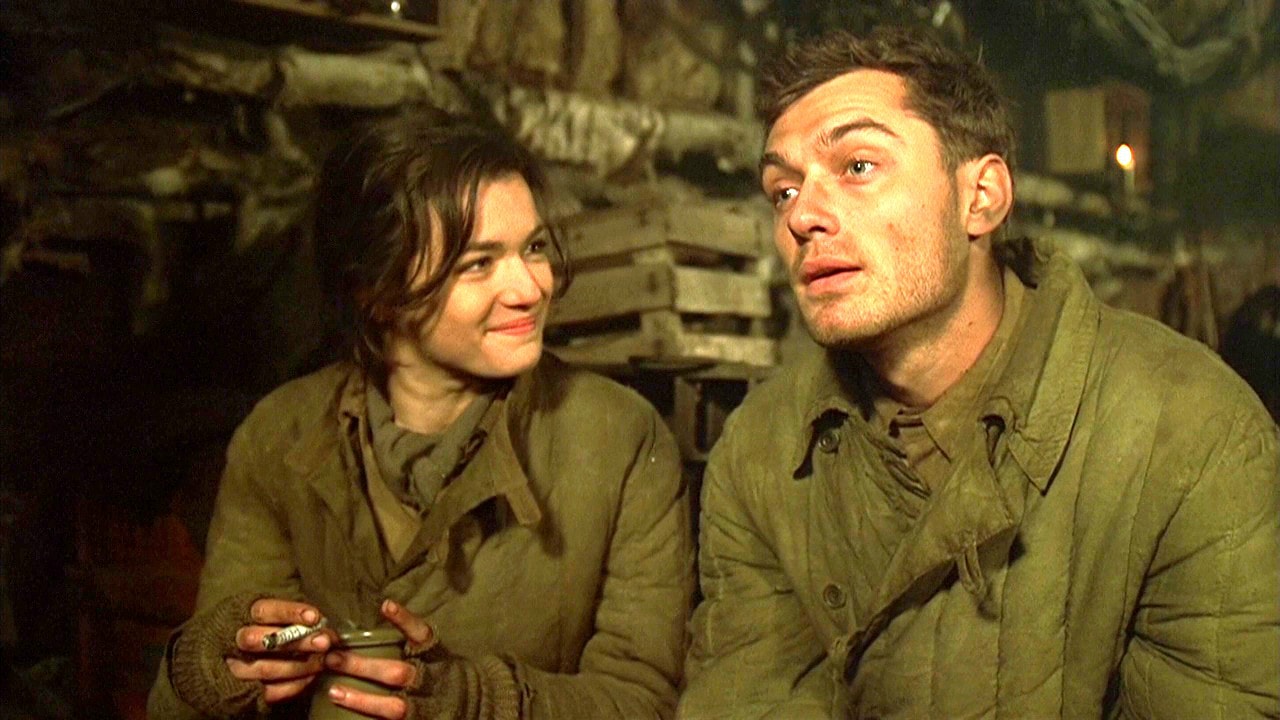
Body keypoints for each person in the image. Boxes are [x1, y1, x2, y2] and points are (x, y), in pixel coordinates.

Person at [679, 26, 1279, 719]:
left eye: (858, 166)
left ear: (981, 197)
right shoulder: (760, 453)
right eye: (783, 190)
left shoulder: (1193, 435)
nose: (803, 216)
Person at [147, 110, 692, 719]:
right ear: (377, 291)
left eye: (534, 247)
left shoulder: (617, 438)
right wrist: (215, 667)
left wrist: (475, 701)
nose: (530, 288)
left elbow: (645, 702)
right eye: (479, 263)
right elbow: (199, 690)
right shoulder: (280, 435)